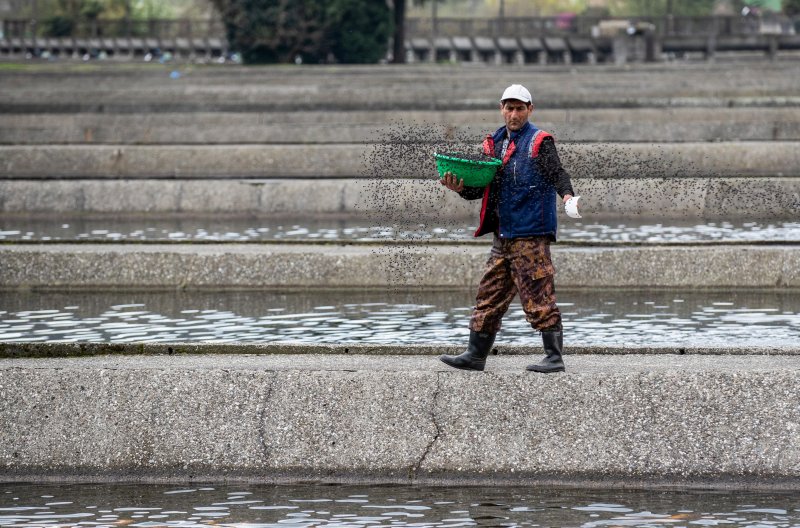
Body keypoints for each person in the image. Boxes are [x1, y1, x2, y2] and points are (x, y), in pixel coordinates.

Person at [439, 83, 577, 374]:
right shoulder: (494, 143)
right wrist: (459, 189)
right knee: (488, 296)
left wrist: (567, 195)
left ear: (529, 110)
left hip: (530, 235)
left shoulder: (540, 141)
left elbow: (557, 173)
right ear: (501, 109)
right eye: (509, 108)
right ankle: (475, 355)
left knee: (539, 296)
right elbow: (482, 189)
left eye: (519, 108)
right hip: (502, 236)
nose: (513, 114)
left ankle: (554, 358)